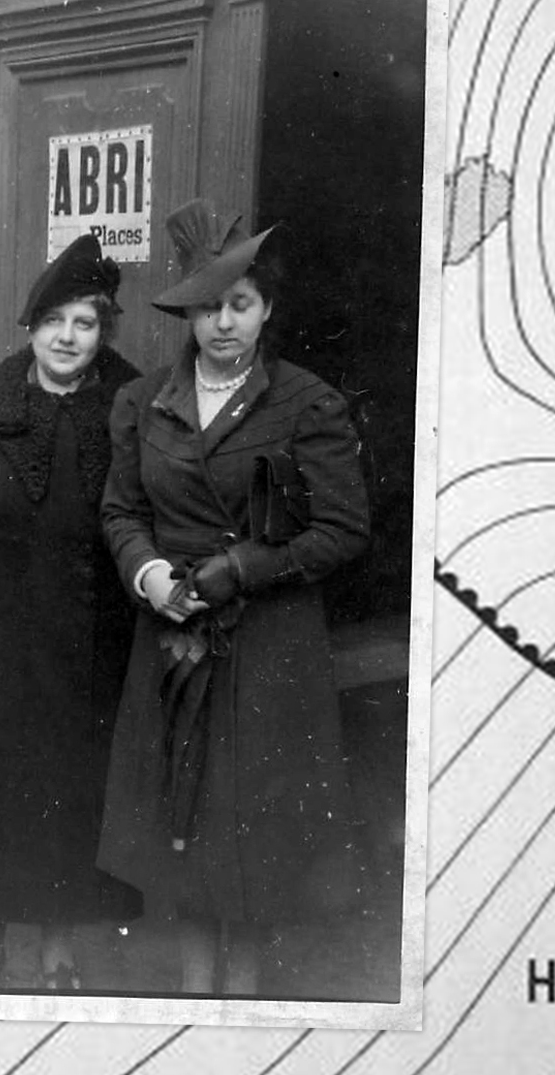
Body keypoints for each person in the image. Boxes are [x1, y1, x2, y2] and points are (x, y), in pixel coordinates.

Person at [95, 197, 372, 996]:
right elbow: (122, 510)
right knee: (179, 818)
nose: (223, 323)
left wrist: (245, 569)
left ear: (266, 309)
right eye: (209, 306)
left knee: (250, 825)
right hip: (175, 636)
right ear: (188, 312)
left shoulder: (304, 402)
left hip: (267, 644)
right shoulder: (143, 402)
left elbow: (345, 530)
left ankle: (244, 995)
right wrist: (149, 575)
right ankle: (192, 988)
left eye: (240, 305)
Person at [0, 233, 145, 991]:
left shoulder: (132, 401)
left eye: (84, 323)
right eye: (54, 320)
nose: (67, 337)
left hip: (91, 636)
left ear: (103, 331)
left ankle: (58, 943)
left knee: (70, 786)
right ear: (31, 326)